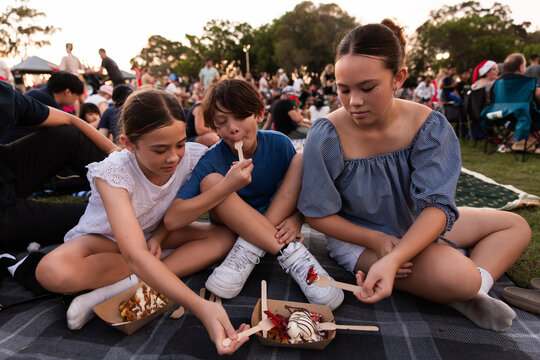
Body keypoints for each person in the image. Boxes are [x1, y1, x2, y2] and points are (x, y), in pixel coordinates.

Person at [298, 19, 531, 332]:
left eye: (368, 88)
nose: (354, 100)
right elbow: (317, 214)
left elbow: (437, 206)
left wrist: (396, 260)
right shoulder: (327, 134)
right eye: (343, 89)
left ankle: (474, 293)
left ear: (399, 78)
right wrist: (378, 243)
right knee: (460, 275)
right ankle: (463, 285)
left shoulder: (429, 126)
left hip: (416, 222)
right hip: (362, 238)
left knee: (514, 225)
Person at [35, 88, 251, 355]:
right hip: (104, 242)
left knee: (224, 236)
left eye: (180, 144)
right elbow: (134, 252)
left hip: (152, 237)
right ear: (129, 144)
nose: (173, 157)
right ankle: (145, 275)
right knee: (51, 271)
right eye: (160, 150)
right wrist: (200, 305)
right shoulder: (113, 172)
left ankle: (126, 285)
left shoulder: (193, 156)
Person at [165, 79, 344, 310]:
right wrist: (226, 187)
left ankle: (250, 246)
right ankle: (292, 255)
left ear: (259, 114)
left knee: (300, 160)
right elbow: (172, 219)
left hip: (267, 231)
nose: (232, 128)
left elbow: (299, 192)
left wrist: (297, 219)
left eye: (240, 116)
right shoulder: (211, 160)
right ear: (215, 128)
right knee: (212, 182)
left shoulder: (279, 144)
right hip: (234, 232)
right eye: (222, 122)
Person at [0, 79, 117, 254]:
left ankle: (124, 189)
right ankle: (125, 213)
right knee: (108, 216)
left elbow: (69, 120)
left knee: (67, 135)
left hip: (6, 170)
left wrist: (115, 152)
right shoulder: (41, 94)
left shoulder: (6, 96)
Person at [0, 71, 86, 144]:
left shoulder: (39, 94)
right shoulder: (44, 100)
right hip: (12, 145)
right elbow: (71, 129)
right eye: (76, 96)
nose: (77, 100)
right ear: (67, 92)